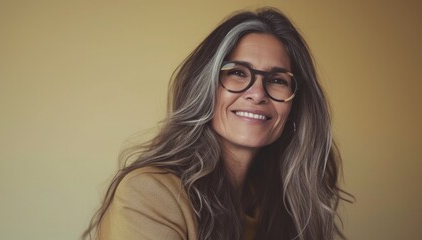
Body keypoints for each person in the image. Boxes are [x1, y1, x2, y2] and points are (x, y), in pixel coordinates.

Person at [83, 7, 351, 240]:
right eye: (236, 73)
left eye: (278, 80)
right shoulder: (148, 194)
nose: (257, 94)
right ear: (205, 88)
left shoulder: (284, 203)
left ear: (294, 105)